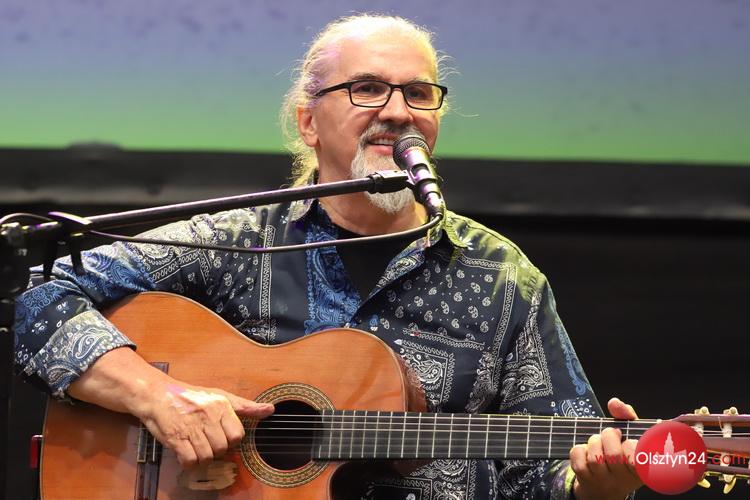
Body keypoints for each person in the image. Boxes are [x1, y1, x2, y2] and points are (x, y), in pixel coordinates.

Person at [14, 14, 642, 500]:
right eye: (368, 89)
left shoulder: (501, 276)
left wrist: (593, 485)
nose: (397, 112)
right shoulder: (237, 242)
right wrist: (159, 398)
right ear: (309, 123)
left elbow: (542, 471)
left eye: (419, 93)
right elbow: (39, 296)